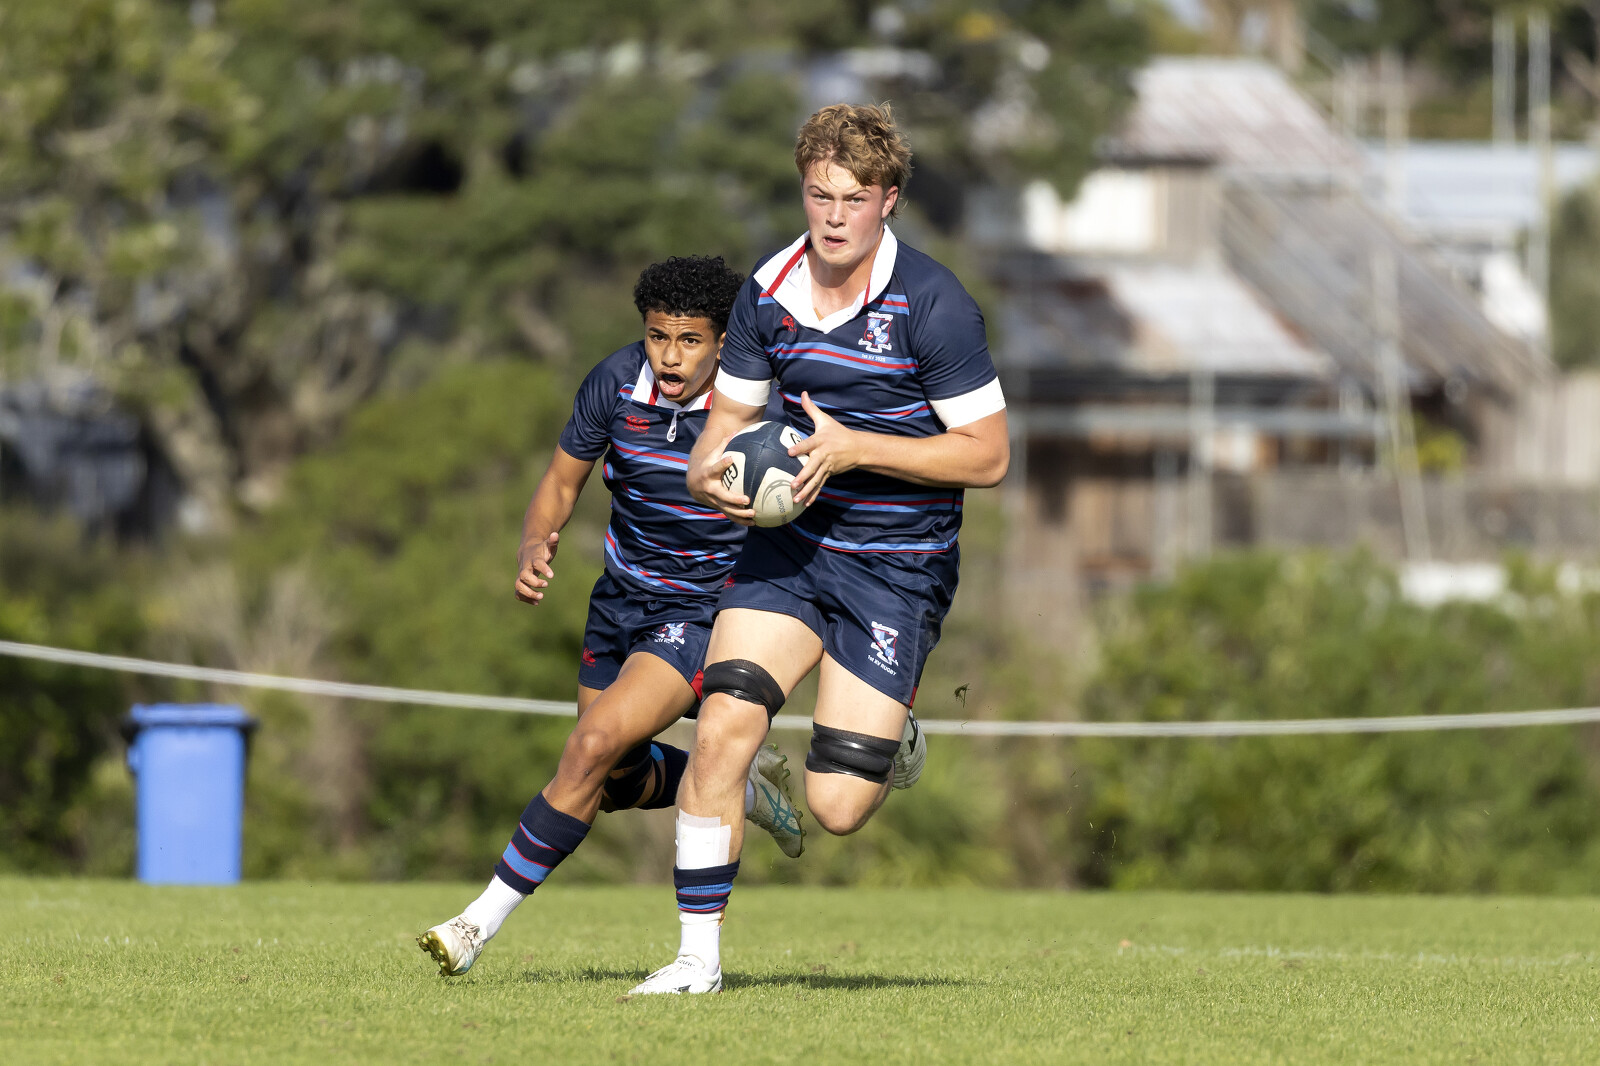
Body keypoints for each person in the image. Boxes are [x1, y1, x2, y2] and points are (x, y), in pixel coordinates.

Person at [630, 104, 1009, 995]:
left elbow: (988, 457)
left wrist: (855, 448)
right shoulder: (765, 296)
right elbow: (719, 436)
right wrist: (714, 480)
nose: (834, 217)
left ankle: (892, 727)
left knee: (836, 806)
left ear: (889, 200)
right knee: (722, 726)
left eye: (854, 198)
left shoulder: (934, 304)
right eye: (819, 195)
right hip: (790, 551)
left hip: (898, 564)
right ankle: (695, 963)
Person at [418, 256, 805, 978]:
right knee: (616, 779)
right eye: (658, 337)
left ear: (724, 341)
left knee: (590, 745)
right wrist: (534, 542)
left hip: (702, 611)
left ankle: (475, 924)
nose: (670, 356)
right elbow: (561, 482)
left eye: (689, 340)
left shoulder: (762, 407)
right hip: (619, 599)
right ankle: (744, 787)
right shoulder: (614, 382)